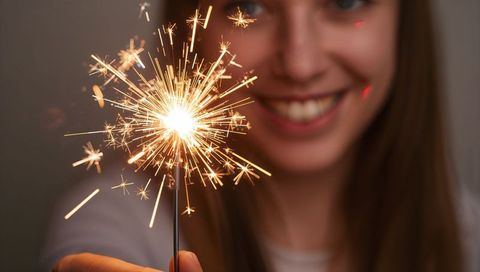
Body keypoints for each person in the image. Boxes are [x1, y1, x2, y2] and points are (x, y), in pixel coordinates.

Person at [42, 0, 480, 271]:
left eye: (345, 1)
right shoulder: (119, 225)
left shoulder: (466, 236)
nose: (300, 63)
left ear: (406, 23)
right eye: (247, 6)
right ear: (189, 26)